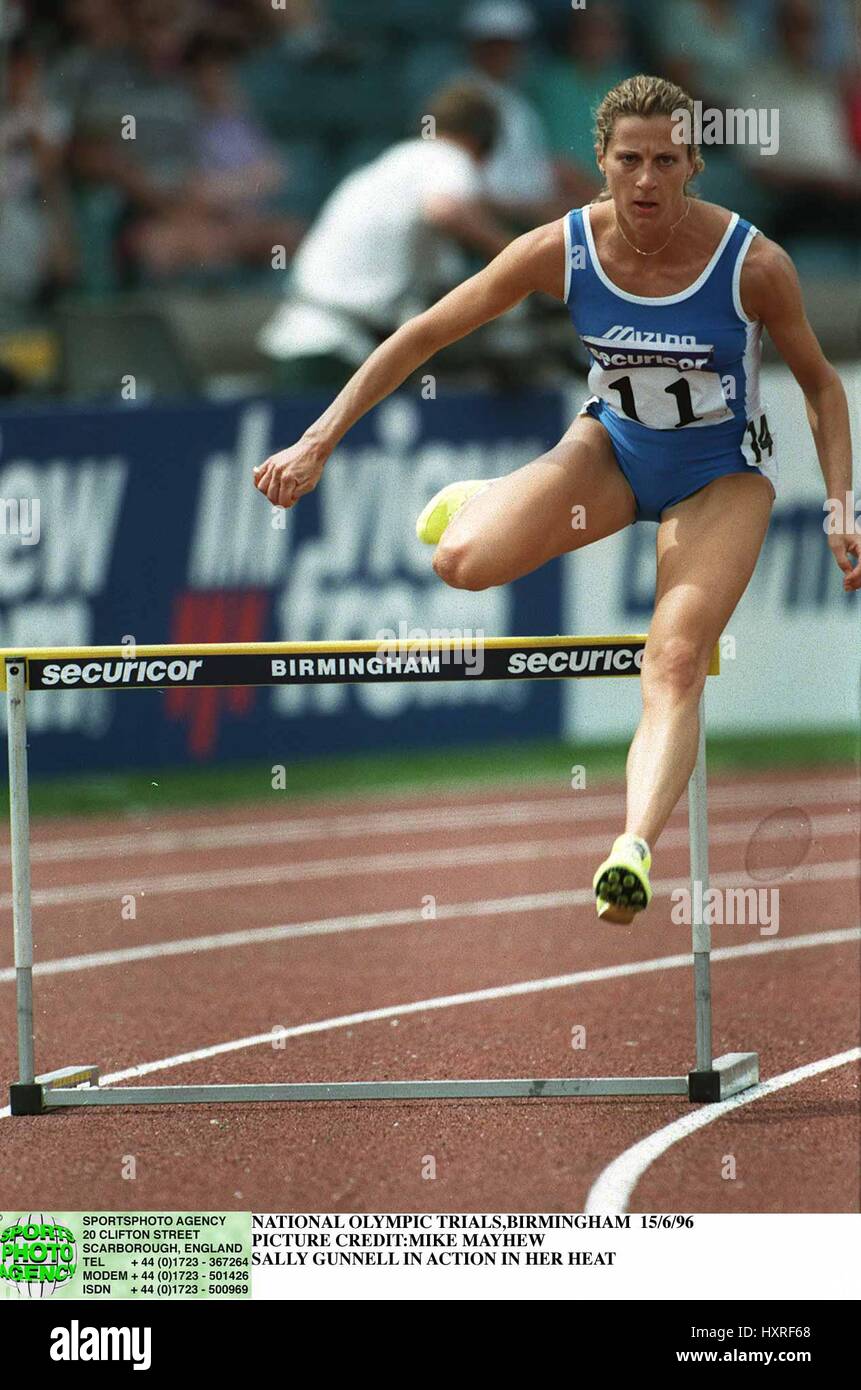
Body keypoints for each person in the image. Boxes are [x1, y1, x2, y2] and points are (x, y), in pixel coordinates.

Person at [253, 74, 859, 924]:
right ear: (601, 165)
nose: (645, 180)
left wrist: (840, 502)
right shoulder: (561, 248)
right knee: (459, 563)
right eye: (627, 160)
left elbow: (823, 389)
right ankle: (489, 498)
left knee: (675, 659)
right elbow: (426, 331)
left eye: (664, 161)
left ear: (693, 165)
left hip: (718, 477)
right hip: (607, 453)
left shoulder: (751, 264)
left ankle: (631, 848)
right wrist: (318, 437)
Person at [258, 80, 512, 391]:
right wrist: (515, 255)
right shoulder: (447, 157)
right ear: (480, 142)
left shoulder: (388, 167)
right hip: (334, 353)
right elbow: (445, 211)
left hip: (307, 341)